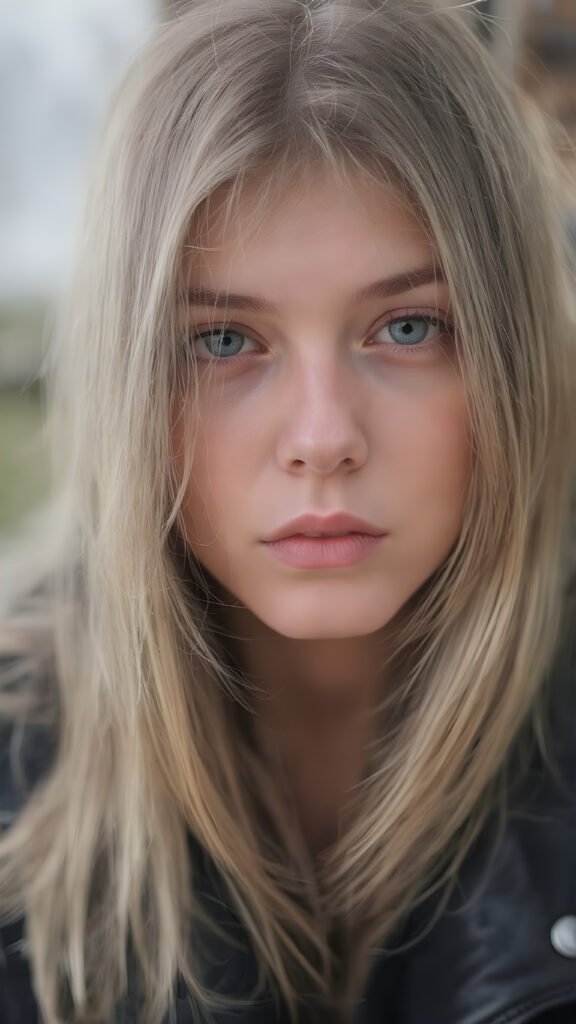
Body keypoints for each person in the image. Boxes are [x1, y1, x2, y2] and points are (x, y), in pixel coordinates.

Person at [0, 0, 575, 1021]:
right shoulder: (17, 771)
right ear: (132, 382)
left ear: (514, 352)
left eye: (408, 326)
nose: (322, 435)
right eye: (224, 341)